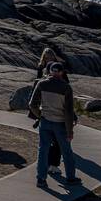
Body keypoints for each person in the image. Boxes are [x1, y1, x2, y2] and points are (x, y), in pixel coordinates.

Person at [29, 61, 79, 186]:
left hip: (45, 121)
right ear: (62, 73)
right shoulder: (66, 87)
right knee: (66, 151)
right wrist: (70, 131)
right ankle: (71, 178)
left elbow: (32, 104)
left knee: (43, 150)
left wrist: (40, 115)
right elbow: (68, 112)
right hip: (60, 124)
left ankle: (41, 179)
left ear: (50, 71)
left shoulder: (42, 84)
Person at [35, 48, 71, 177]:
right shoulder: (41, 69)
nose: (48, 59)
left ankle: (52, 166)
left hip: (57, 110)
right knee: (46, 143)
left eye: (50, 57)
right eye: (46, 57)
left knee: (54, 141)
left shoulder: (59, 69)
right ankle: (47, 168)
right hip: (45, 110)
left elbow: (67, 88)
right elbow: (36, 87)